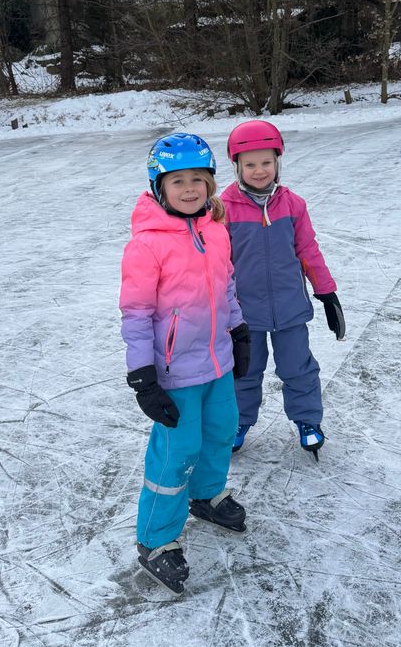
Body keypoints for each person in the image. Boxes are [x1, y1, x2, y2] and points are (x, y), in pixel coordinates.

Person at [119, 132, 252, 595]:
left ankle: (206, 496)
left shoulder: (215, 229)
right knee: (177, 452)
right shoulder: (146, 245)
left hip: (216, 361)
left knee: (220, 432)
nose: (191, 188)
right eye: (178, 181)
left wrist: (238, 331)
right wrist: (143, 377)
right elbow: (136, 314)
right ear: (159, 186)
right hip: (173, 371)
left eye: (200, 178)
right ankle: (156, 539)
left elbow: (227, 287)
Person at [221, 120, 345, 459]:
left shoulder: (293, 205)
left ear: (278, 162)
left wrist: (326, 293)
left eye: (266, 162)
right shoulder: (224, 209)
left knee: (298, 367)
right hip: (243, 314)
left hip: (290, 308)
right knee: (244, 371)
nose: (259, 170)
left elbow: (308, 251)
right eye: (250, 164)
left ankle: (307, 421)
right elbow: (216, 262)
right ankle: (238, 422)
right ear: (237, 166)